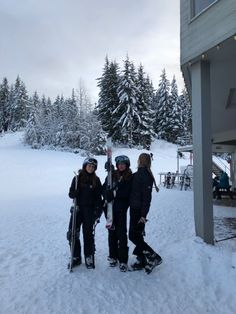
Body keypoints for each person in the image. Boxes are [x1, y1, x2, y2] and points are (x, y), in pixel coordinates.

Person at [67, 157, 103, 269]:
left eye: (93, 167)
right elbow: (71, 194)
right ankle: (76, 256)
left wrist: (98, 211)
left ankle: (89, 256)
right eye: (89, 166)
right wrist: (75, 193)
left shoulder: (96, 180)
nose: (91, 168)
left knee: (88, 234)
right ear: (84, 166)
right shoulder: (77, 179)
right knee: (72, 234)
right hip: (77, 209)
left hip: (89, 211)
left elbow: (99, 197)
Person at [129, 153, 162, 272]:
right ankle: (141, 260)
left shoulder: (144, 175)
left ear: (140, 161)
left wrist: (143, 216)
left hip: (138, 211)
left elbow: (147, 198)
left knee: (133, 236)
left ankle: (154, 256)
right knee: (137, 236)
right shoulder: (141, 174)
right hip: (135, 208)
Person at [103, 155, 132, 272]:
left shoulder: (129, 177)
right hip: (110, 210)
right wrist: (106, 194)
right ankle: (113, 256)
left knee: (122, 235)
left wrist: (115, 194)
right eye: (119, 164)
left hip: (121, 210)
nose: (121, 166)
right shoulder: (111, 176)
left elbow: (128, 193)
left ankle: (123, 260)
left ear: (127, 165)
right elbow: (103, 188)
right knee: (111, 234)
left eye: (123, 164)